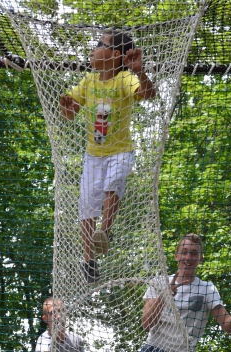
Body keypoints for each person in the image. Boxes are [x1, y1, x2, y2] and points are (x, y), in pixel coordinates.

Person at [60, 29, 156, 284]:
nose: (93, 48)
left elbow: (149, 94)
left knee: (112, 186)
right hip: (94, 155)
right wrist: (66, 108)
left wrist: (139, 70)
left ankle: (105, 231)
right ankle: (89, 261)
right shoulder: (88, 82)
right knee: (86, 207)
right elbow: (71, 113)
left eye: (99, 44)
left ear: (115, 55)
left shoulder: (124, 78)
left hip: (120, 151)